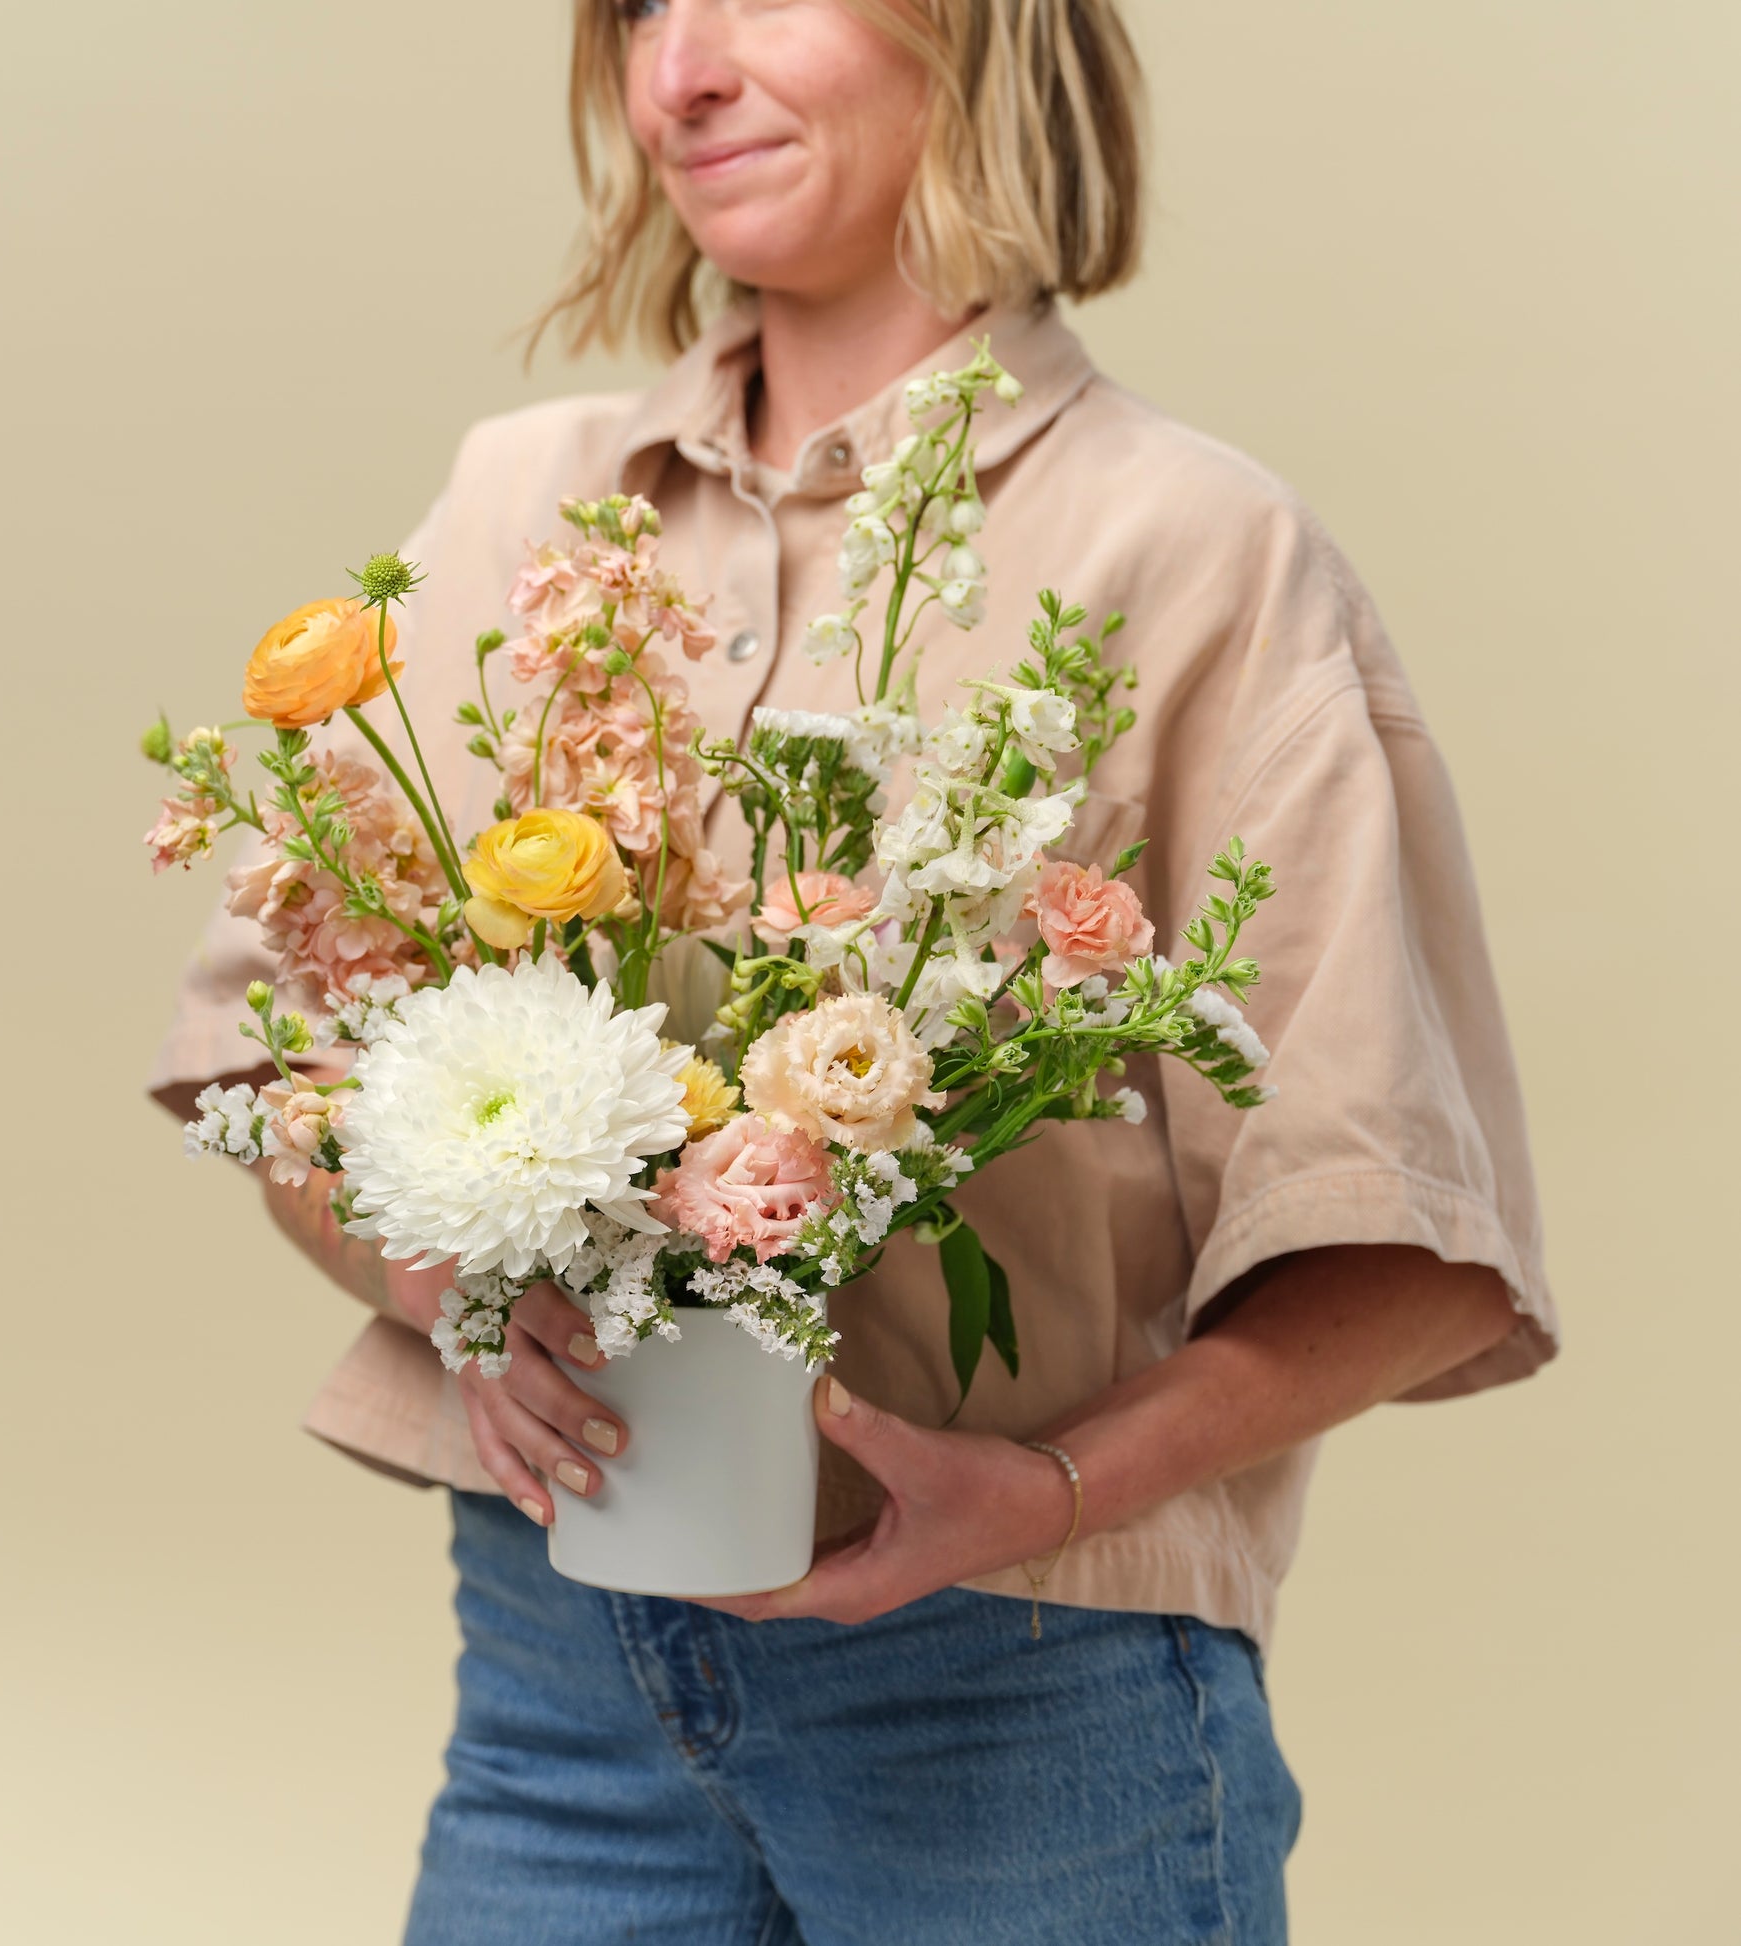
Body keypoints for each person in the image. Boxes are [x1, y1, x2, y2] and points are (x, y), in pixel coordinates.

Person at [150, 2, 1557, 1939]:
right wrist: (443, 1269)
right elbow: (274, 1056)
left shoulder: (1196, 545)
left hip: (1025, 1696)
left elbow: (1404, 1239)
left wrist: (1045, 1487)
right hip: (562, 1682)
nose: (682, 71)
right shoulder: (518, 499)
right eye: (643, 8)